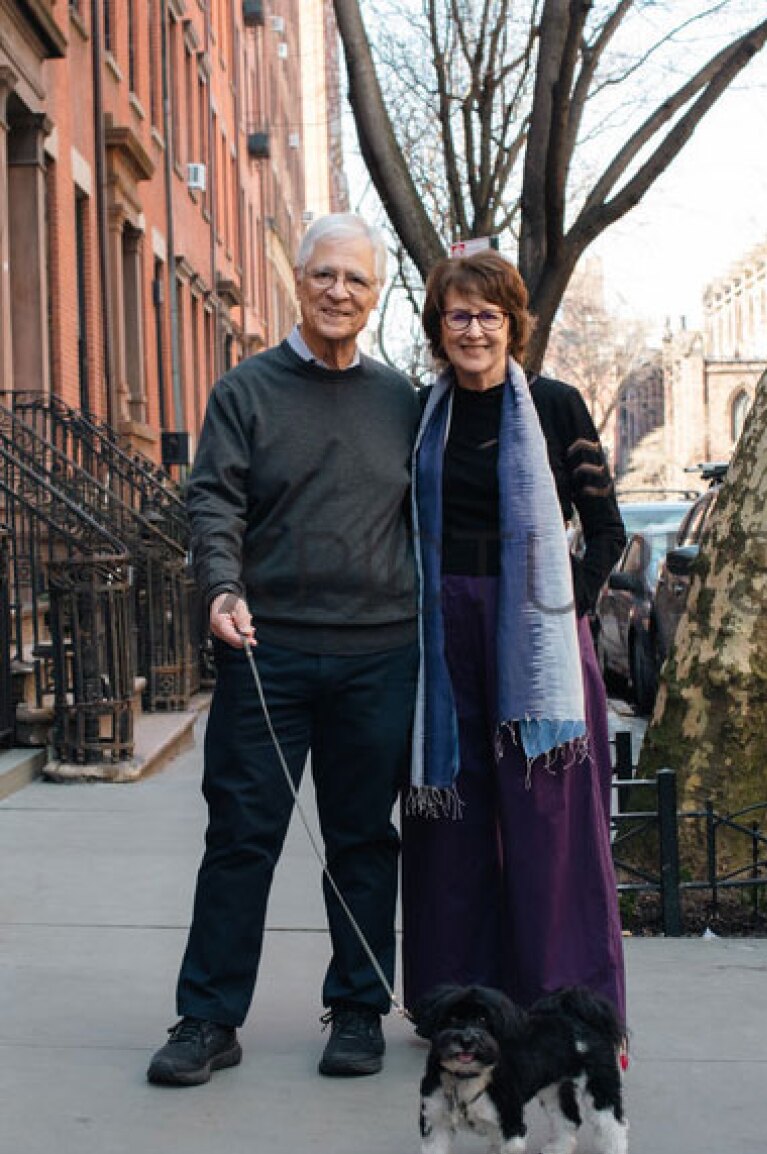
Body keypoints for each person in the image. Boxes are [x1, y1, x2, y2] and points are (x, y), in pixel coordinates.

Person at [148, 214, 419, 1085]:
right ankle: (207, 1018)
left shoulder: (407, 403)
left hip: (381, 652)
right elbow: (213, 502)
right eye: (325, 275)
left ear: (376, 297)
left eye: (358, 281)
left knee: (363, 840)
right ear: (298, 282)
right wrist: (222, 587)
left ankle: (359, 1010)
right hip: (269, 654)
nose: (340, 292)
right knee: (241, 835)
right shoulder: (245, 393)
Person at [402, 250, 626, 1020]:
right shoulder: (421, 415)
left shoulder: (556, 407)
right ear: (439, 326)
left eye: (488, 315)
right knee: (451, 822)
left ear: (512, 325)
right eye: (458, 315)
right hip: (444, 635)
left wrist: (571, 610)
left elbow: (606, 529)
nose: (473, 330)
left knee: (550, 825)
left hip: (537, 639)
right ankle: (458, 1001)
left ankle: (567, 1002)